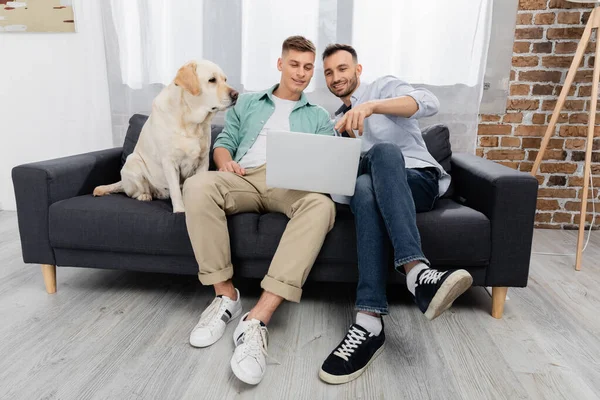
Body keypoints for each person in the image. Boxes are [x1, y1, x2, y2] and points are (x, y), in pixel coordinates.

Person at [182, 36, 336, 385]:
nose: (301, 72)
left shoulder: (318, 116)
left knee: (322, 205)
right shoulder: (248, 103)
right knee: (196, 186)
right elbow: (224, 143)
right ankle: (225, 297)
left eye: (308, 67)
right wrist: (225, 163)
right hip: (245, 176)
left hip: (291, 185)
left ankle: (257, 319)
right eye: (294, 64)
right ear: (280, 65)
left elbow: (329, 164)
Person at [318, 44, 473, 384]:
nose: (336, 77)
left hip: (416, 181)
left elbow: (428, 103)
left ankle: (394, 293)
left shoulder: (382, 89)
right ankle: (382, 309)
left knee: (385, 151)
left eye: (343, 68)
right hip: (369, 193)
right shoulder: (335, 124)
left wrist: (373, 107)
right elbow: (339, 186)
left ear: (358, 70)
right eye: (329, 72)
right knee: (362, 187)